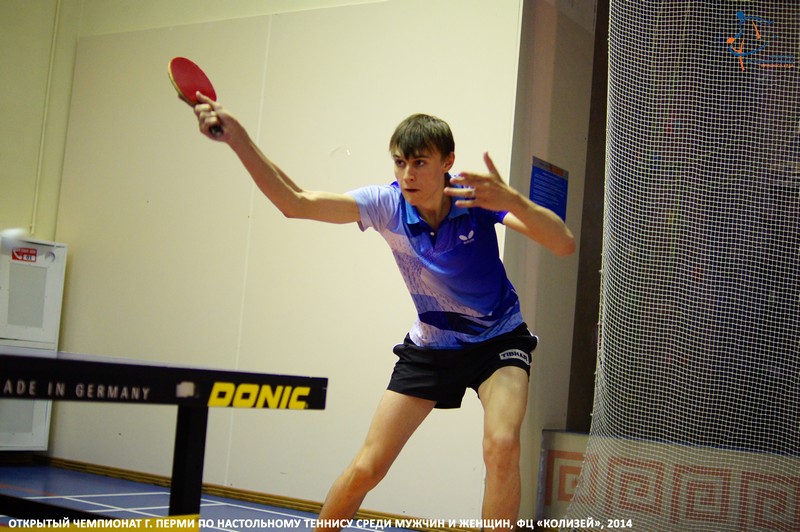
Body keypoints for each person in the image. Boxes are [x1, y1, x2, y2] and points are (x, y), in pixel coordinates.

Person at [193, 93, 576, 530]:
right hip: (431, 347)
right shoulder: (386, 205)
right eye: (400, 162)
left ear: (448, 162)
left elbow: (563, 243)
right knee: (367, 468)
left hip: (498, 341)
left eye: (420, 162)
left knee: (502, 445)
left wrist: (516, 201)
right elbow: (295, 201)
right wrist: (238, 139)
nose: (407, 174)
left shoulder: (475, 200)